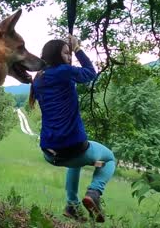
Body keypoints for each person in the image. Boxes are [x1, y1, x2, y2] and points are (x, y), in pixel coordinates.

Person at [28, 35, 116, 223]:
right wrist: (77, 48)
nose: (69, 57)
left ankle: (72, 206)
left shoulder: (39, 78)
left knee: (74, 162)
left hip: (49, 152)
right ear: (56, 56)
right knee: (109, 158)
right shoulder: (63, 71)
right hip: (74, 148)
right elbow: (90, 73)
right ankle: (94, 192)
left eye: (70, 53)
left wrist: (70, 55)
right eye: (66, 53)